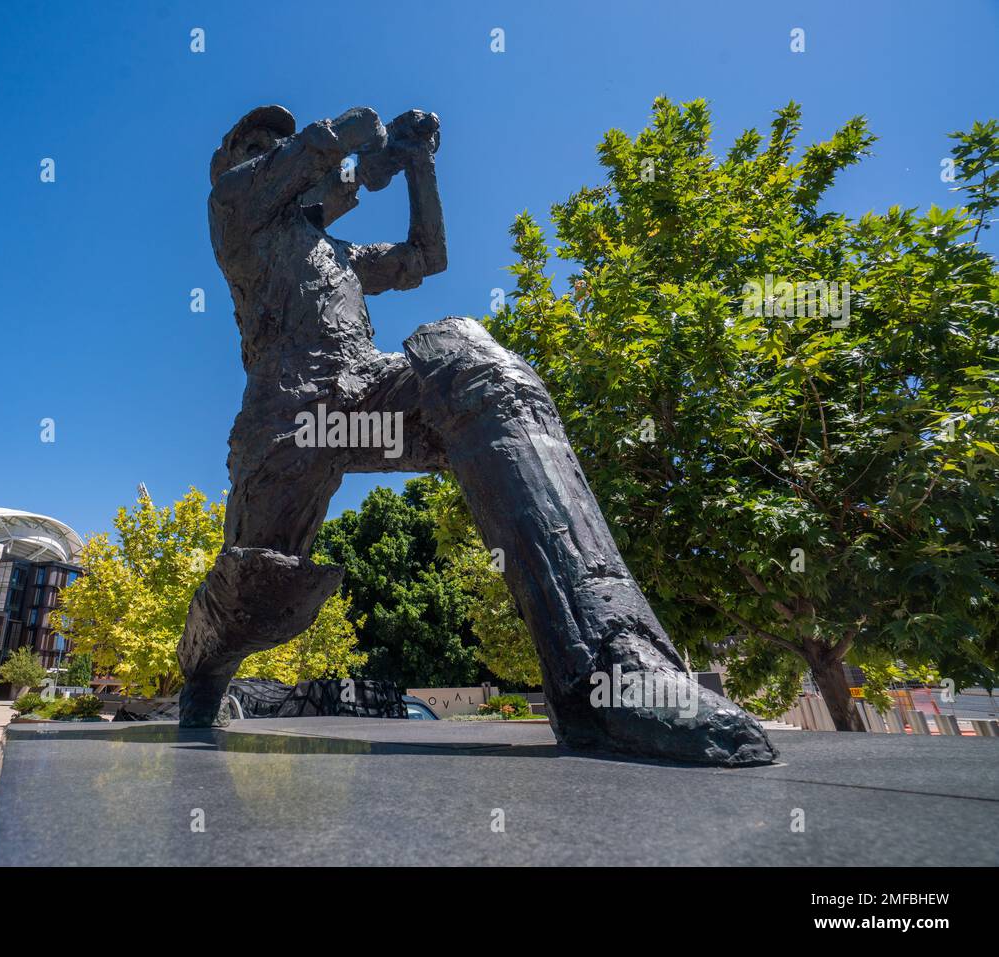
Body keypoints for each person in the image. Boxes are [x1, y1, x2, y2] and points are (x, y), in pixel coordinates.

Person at [177, 105, 776, 766]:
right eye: (259, 145)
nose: (275, 150)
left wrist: (417, 162)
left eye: (278, 144)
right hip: (291, 416)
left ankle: (610, 666)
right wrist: (360, 140)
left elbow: (425, 257)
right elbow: (310, 156)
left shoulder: (337, 256)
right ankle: (202, 672)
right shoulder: (233, 212)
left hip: (362, 392)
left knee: (480, 369)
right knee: (256, 589)